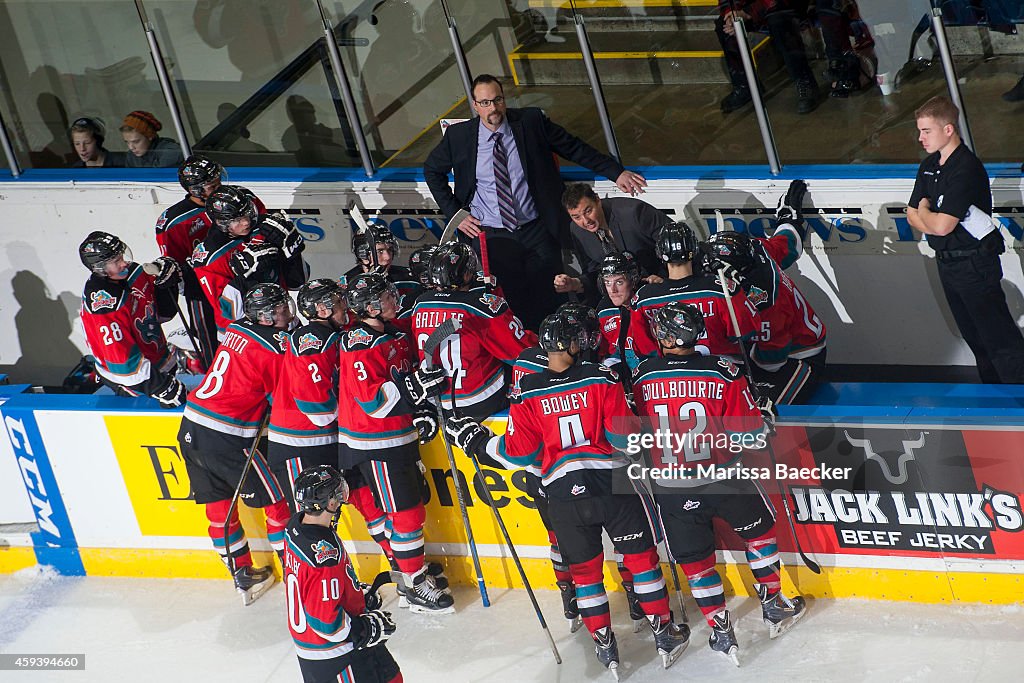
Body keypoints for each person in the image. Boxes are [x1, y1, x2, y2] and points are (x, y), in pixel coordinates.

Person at [444, 310, 688, 676]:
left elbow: (521, 454)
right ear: (574, 344)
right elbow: (624, 438)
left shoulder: (528, 389)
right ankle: (663, 631)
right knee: (641, 560)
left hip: (561, 494)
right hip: (611, 486)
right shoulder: (601, 377)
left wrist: (479, 444)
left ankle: (605, 646)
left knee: (586, 575)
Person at [631, 302, 805, 665]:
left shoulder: (643, 375)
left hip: (672, 485)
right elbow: (749, 434)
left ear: (662, 337)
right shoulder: (722, 371)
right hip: (725, 476)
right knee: (758, 535)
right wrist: (763, 417)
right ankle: (773, 605)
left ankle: (721, 631)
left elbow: (637, 428)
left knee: (696, 563)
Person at [423, 73, 647, 330]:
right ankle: (525, 359)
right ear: (475, 105)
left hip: (536, 229)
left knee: (550, 296)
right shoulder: (459, 136)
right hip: (492, 236)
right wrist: (457, 215)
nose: (493, 108)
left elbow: (574, 148)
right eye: (485, 103)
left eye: (497, 100)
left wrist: (615, 172)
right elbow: (432, 170)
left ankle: (555, 355)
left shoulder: (530, 122)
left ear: (504, 100)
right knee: (509, 304)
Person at [508, 303, 646, 635]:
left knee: (563, 542)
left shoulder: (526, 367)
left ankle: (571, 598)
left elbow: (521, 441)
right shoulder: (595, 372)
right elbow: (617, 431)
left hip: (548, 474)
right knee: (629, 543)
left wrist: (482, 444)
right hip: (593, 471)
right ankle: (635, 595)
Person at [337, 272, 453, 613]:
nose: (393, 300)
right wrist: (414, 388)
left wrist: (422, 410)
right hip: (375, 443)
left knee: (410, 509)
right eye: (386, 297)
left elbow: (404, 386)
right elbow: (373, 402)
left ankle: (409, 572)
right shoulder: (359, 344)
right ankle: (414, 585)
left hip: (396, 438)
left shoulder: (391, 334)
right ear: (371, 307)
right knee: (405, 513)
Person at [176, 284, 295, 606]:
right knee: (278, 504)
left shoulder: (237, 328)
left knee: (218, 508)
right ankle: (295, 573)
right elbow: (286, 395)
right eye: (282, 307)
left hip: (191, 426)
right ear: (269, 316)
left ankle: (240, 573)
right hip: (228, 436)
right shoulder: (276, 346)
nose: (288, 310)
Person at [906, 96, 1024, 384]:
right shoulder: (929, 165)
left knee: (999, 340)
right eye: (919, 131)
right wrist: (925, 215)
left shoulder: (966, 168)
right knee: (976, 340)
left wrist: (925, 210)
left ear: (948, 129)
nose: (920, 138)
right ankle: (994, 403)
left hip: (973, 264)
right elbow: (910, 216)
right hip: (947, 265)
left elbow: (942, 225)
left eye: (926, 131)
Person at [701, 182, 827, 404]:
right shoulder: (756, 250)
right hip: (754, 350)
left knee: (759, 411)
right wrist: (789, 219)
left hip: (798, 355)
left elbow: (772, 362)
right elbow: (789, 244)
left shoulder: (765, 303)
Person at [284, 465, 402, 683]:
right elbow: (326, 624)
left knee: (392, 677)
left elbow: (310, 586)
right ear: (329, 502)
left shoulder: (296, 527)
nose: (341, 498)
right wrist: (365, 627)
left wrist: (353, 595)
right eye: (338, 493)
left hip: (324, 647)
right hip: (336, 654)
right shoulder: (324, 556)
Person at [412, 242, 536, 421]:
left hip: (437, 399)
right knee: (522, 364)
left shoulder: (420, 304)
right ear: (467, 273)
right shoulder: (480, 307)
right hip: (477, 400)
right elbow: (520, 352)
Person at [78, 231, 185, 407]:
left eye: (122, 256)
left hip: (157, 362)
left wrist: (166, 281)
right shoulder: (103, 306)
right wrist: (160, 386)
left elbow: (162, 313)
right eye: (116, 261)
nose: (124, 262)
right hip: (132, 382)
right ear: (99, 268)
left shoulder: (133, 272)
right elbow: (122, 362)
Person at [629, 222, 760, 361]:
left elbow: (645, 351)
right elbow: (746, 331)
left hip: (672, 378)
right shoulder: (721, 288)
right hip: (721, 374)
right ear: (695, 249)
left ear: (660, 253)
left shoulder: (643, 299)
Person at [191, 185, 305, 342]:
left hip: (285, 317)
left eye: (247, 213)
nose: (246, 222)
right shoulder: (209, 257)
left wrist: (292, 250)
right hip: (244, 334)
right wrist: (245, 277)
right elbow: (229, 313)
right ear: (220, 222)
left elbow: (297, 282)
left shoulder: (266, 227)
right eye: (237, 219)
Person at [156, 155, 235, 369]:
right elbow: (174, 264)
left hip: (237, 282)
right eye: (213, 185)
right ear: (195, 189)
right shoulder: (174, 221)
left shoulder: (232, 199)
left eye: (218, 181)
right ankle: (215, 378)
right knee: (209, 341)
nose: (219, 187)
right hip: (201, 290)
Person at [554, 183, 669, 305]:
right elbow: (594, 271)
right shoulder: (577, 230)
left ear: (597, 200)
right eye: (576, 217)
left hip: (660, 284)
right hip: (621, 296)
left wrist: (666, 281)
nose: (586, 221)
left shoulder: (634, 213)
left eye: (588, 211)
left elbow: (675, 244)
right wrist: (575, 283)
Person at [716, 1, 820, 114]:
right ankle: (745, 86)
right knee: (723, 26)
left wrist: (746, 13)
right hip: (753, 10)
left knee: (779, 20)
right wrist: (730, 15)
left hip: (782, 5)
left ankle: (806, 81)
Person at [596, 251, 643, 375]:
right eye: (607, 283)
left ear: (633, 279)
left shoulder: (648, 303)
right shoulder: (603, 311)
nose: (613, 290)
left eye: (619, 282)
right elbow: (606, 354)